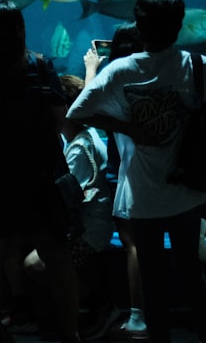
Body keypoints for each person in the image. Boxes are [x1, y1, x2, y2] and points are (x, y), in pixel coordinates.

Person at [67, 0, 206, 343]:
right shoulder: (195, 64)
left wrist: (128, 127)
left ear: (139, 27)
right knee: (192, 275)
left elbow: (76, 112)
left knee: (153, 282)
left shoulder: (122, 69)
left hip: (143, 195)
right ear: (180, 26)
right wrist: (203, 121)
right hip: (187, 191)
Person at [0, 0, 79, 343]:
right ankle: (71, 334)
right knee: (56, 256)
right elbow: (58, 122)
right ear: (20, 29)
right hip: (38, 176)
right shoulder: (40, 66)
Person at [24, 75, 117, 340]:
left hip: (88, 231)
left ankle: (99, 304)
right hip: (86, 225)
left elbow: (68, 200)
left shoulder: (79, 148)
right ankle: (88, 300)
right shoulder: (81, 137)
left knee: (35, 264)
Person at [83, 22, 148, 338]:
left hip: (131, 176)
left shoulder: (115, 81)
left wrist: (93, 68)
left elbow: (84, 107)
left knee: (133, 244)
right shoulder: (157, 75)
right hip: (164, 174)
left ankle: (138, 315)